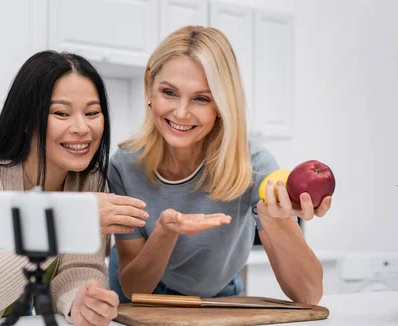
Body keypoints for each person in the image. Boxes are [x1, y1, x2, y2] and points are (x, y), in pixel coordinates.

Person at [0, 51, 149, 326]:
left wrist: (81, 303)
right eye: (61, 113)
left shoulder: (89, 182)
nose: (81, 128)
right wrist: (68, 219)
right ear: (27, 120)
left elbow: (78, 272)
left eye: (92, 113)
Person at [107, 26, 333, 306]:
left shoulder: (255, 166)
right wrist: (166, 231)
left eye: (202, 98)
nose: (180, 112)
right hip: (142, 299)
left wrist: (276, 218)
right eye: (169, 92)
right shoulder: (123, 166)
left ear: (223, 104)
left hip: (218, 296)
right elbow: (134, 287)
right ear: (149, 87)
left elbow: (308, 296)